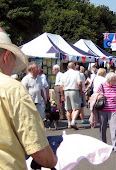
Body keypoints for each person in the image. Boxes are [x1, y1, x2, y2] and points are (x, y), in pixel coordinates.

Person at [0, 32, 57, 169]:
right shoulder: (12, 88)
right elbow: (38, 150)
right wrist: (53, 160)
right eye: (13, 64)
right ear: (7, 56)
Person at [96, 72, 116, 155]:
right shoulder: (102, 86)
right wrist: (99, 96)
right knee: (102, 128)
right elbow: (96, 94)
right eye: (114, 80)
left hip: (113, 110)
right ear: (109, 80)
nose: (115, 81)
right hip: (102, 110)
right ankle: (103, 145)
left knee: (114, 128)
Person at [60, 62, 82, 130]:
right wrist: (81, 90)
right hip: (74, 90)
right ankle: (73, 121)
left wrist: (62, 95)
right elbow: (79, 83)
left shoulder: (64, 74)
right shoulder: (76, 73)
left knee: (68, 109)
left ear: (67, 67)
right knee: (77, 108)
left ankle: (69, 123)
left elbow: (61, 86)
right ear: (74, 67)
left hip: (66, 91)